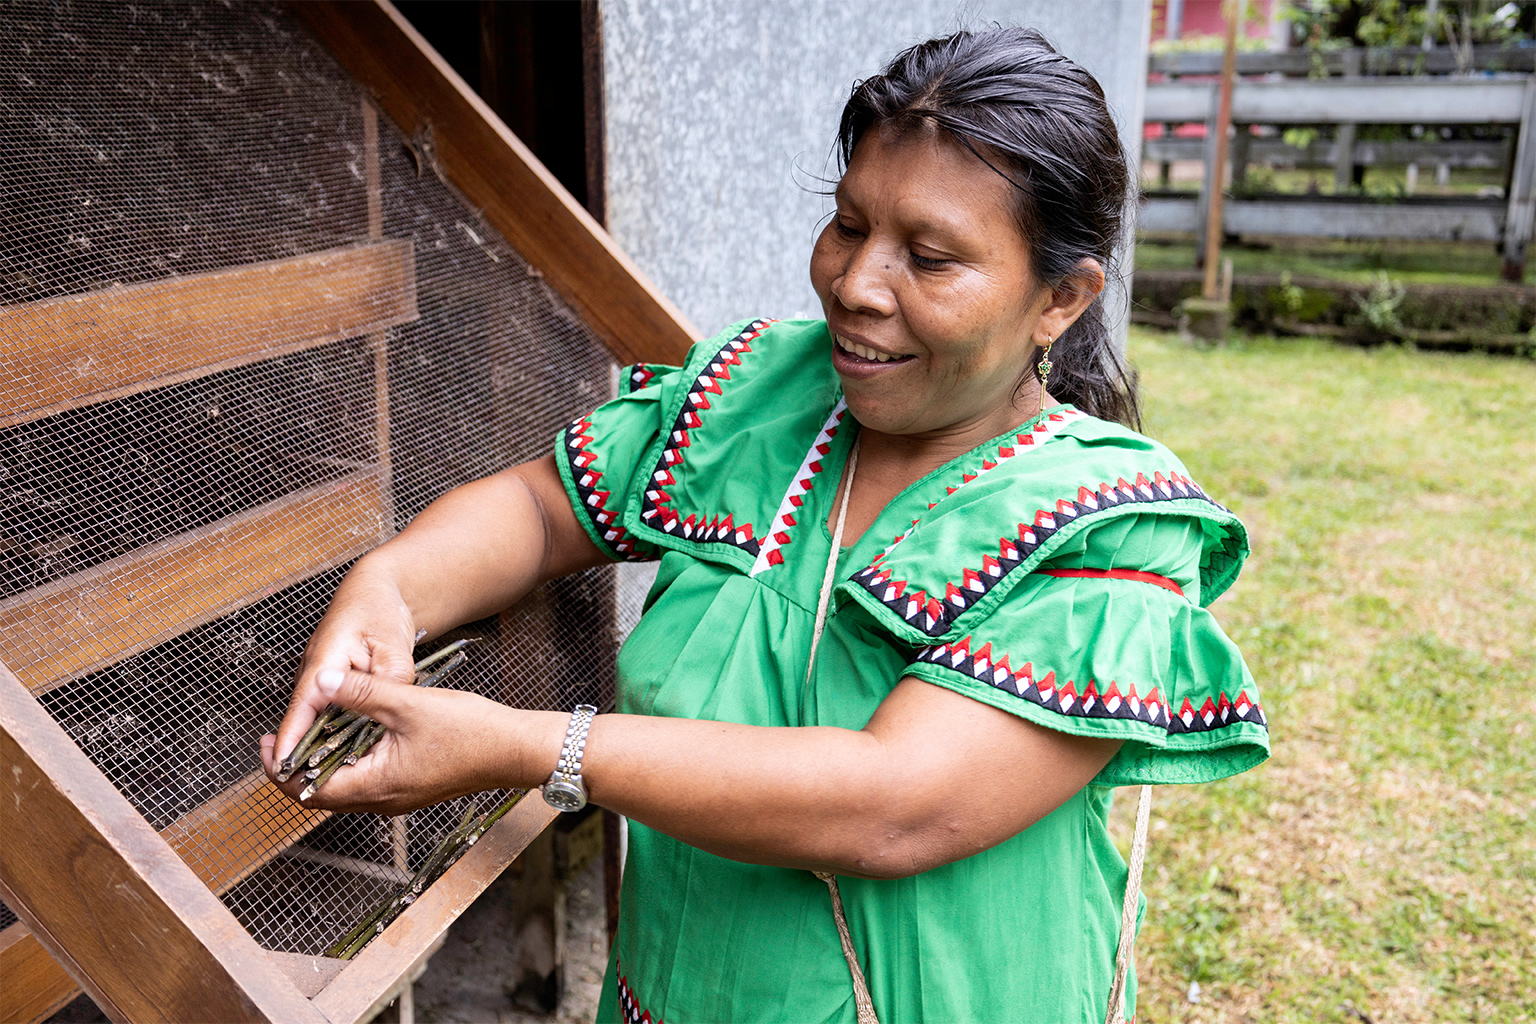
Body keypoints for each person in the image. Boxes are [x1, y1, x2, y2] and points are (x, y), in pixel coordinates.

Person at [263, 26, 1268, 1024]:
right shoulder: (757, 395)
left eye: (929, 257)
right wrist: (390, 591)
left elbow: (895, 803)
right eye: (847, 224)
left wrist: (531, 747)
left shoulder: (1104, 528)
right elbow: (540, 506)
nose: (856, 284)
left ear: (1062, 298)